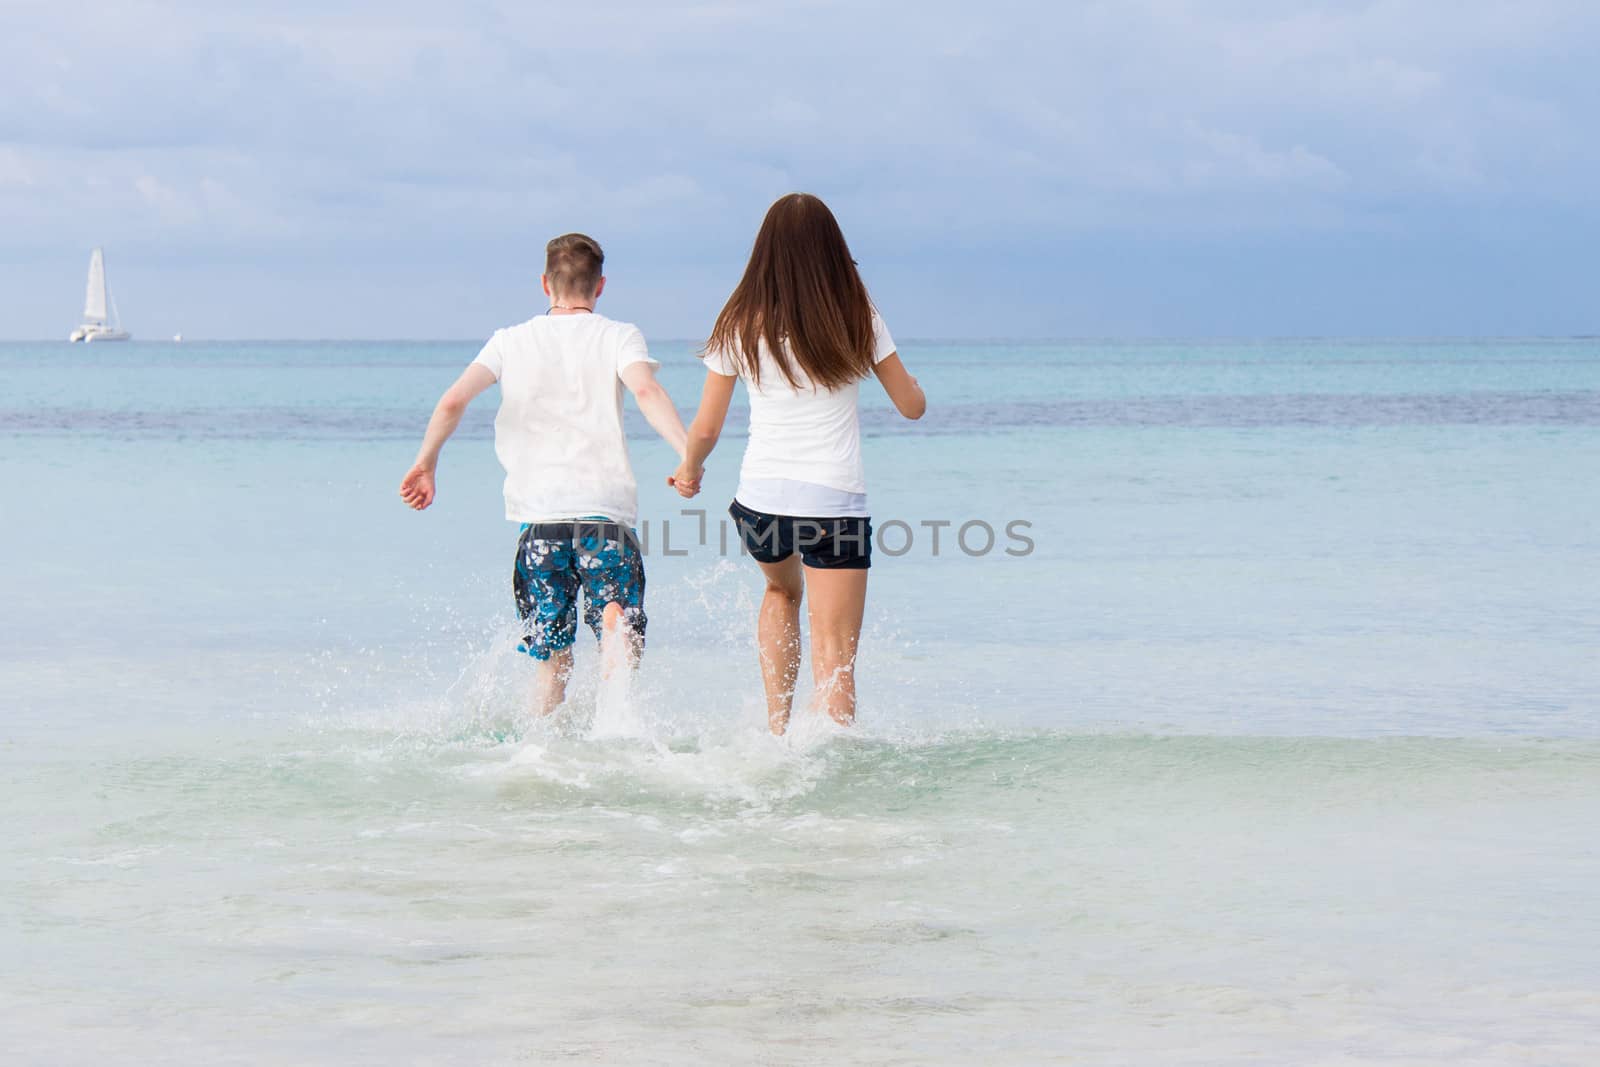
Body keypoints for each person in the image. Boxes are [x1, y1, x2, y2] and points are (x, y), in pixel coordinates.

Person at [400, 233, 689, 714]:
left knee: (552, 656)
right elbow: (646, 392)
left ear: (544, 284)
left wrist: (426, 461)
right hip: (604, 521)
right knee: (619, 626)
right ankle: (614, 715)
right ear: (600, 286)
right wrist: (687, 455)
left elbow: (453, 400)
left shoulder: (508, 341)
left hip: (540, 526)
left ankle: (541, 746)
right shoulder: (618, 335)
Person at [672, 193, 926, 735]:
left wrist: (689, 468)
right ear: (833, 250)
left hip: (760, 504)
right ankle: (831, 786)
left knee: (781, 591)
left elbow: (708, 428)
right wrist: (916, 389)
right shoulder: (857, 315)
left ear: (764, 253)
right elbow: (911, 406)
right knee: (835, 657)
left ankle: (777, 733)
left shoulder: (739, 321)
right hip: (833, 503)